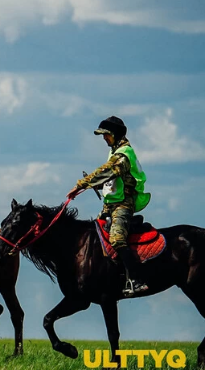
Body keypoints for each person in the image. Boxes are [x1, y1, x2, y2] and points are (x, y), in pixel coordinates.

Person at [66, 116, 151, 297]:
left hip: (123, 205)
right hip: (109, 205)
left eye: (106, 135)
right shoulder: (114, 152)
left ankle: (136, 280)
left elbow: (108, 171)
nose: (104, 138)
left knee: (116, 240)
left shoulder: (124, 154)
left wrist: (81, 184)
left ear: (115, 134)